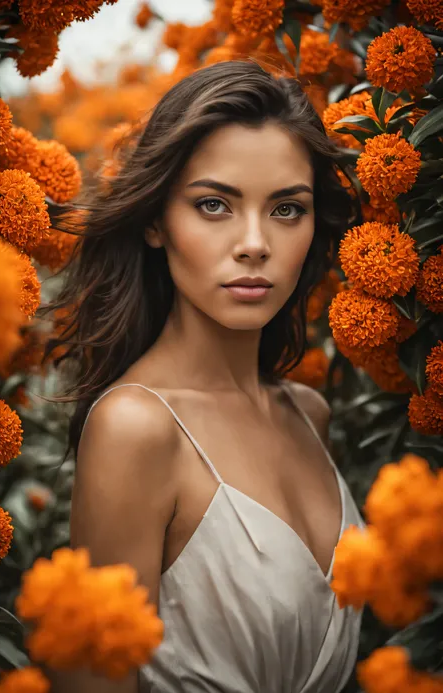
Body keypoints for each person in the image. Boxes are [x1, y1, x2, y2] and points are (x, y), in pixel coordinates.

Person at [49, 60, 365, 693]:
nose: (254, 243)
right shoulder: (135, 428)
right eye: (214, 205)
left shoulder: (308, 413)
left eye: (286, 209)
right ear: (154, 222)